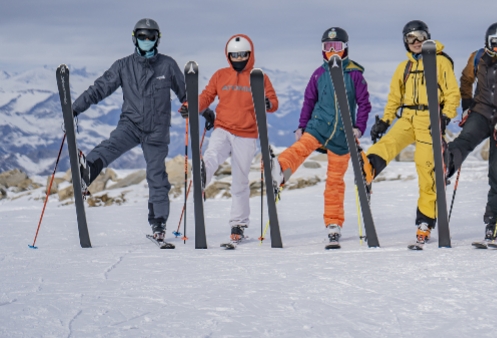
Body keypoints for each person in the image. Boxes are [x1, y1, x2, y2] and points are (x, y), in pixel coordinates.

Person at [72, 19, 186, 241]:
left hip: (157, 130)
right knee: (110, 146)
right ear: (135, 38)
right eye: (142, 36)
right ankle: (88, 171)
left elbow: (186, 94)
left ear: (157, 39)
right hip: (130, 125)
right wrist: (74, 108)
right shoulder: (123, 66)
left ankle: (158, 222)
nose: (146, 40)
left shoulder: (168, 65)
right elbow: (99, 89)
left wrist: (197, 109)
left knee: (156, 176)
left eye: (150, 37)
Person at [272, 27, 371, 248]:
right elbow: (309, 100)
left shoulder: (355, 74)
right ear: (322, 50)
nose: (332, 52)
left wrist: (359, 128)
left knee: (335, 181)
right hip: (319, 125)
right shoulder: (319, 74)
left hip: (343, 135)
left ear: (345, 49)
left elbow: (364, 104)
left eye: (336, 47)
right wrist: (302, 125)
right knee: (302, 147)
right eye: (328, 47)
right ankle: (279, 169)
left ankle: (333, 223)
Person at [363, 20, 460, 247]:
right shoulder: (403, 68)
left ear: (427, 37)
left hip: (429, 119)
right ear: (405, 42)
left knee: (426, 169)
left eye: (419, 36)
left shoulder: (441, 62)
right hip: (407, 117)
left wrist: (445, 116)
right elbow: (394, 98)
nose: (415, 42)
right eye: (410, 38)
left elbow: (452, 93)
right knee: (389, 142)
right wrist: (385, 121)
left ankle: (425, 222)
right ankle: (368, 166)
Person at [187, 34, 278, 245]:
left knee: (240, 179)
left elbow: (273, 101)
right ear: (228, 56)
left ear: (250, 54)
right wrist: (192, 107)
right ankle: (202, 174)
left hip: (247, 134)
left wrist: (268, 104)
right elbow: (207, 95)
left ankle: (238, 223)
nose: (238, 59)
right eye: (234, 55)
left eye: (242, 55)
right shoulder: (221, 75)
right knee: (212, 154)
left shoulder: (259, 77)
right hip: (223, 128)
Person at [446, 22, 497, 241]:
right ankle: (446, 165)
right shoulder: (478, 57)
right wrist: (467, 104)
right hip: (480, 112)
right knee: (465, 140)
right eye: (492, 43)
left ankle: (494, 222)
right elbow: (466, 79)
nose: (496, 48)